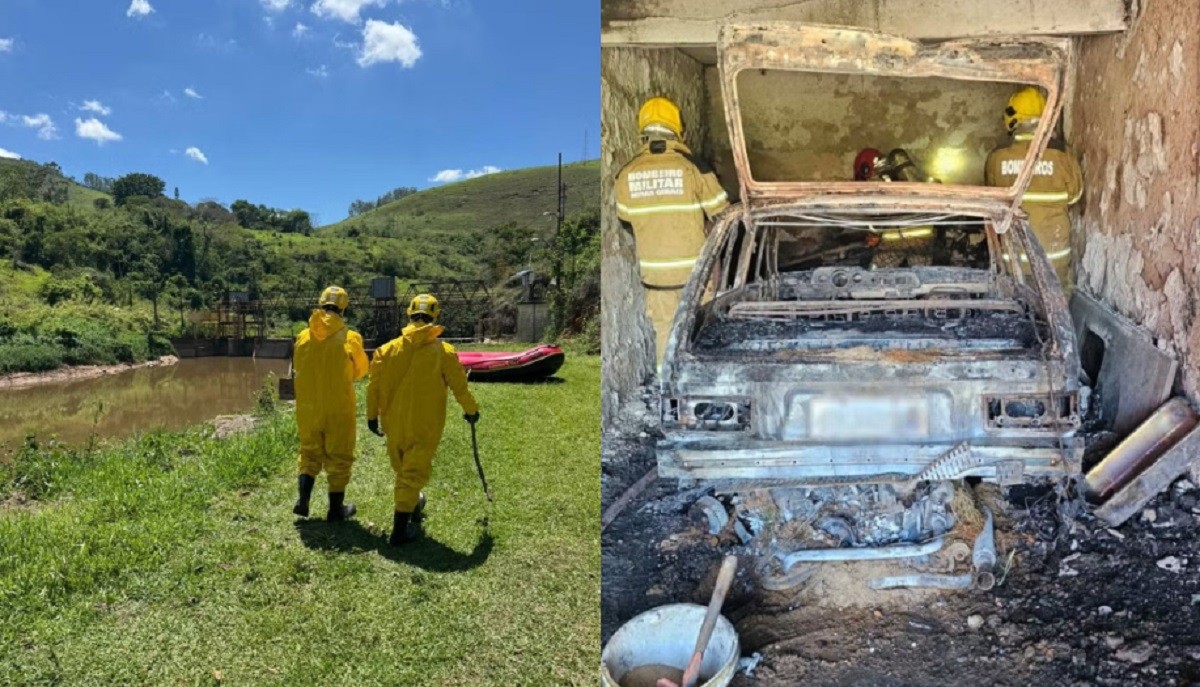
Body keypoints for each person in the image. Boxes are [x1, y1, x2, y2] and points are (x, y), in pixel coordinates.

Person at [615, 96, 729, 365]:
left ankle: (668, 396)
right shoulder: (693, 167)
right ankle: (701, 390)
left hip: (657, 278)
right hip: (696, 275)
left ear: (642, 131)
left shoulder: (625, 175)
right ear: (679, 129)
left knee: (665, 333)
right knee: (701, 332)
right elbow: (722, 217)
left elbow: (626, 222)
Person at [367, 294, 480, 546]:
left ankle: (413, 504)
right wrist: (471, 410)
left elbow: (372, 387)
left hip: (393, 423)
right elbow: (459, 387)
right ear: (434, 316)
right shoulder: (444, 352)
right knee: (411, 472)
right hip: (426, 425)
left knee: (404, 470)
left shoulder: (386, 350)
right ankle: (399, 532)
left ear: (409, 315)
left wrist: (371, 416)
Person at [985, 86, 1083, 288]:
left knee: (1016, 308)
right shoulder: (1062, 154)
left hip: (1014, 257)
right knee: (1056, 308)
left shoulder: (998, 156)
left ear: (1013, 117)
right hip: (1054, 256)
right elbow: (1075, 195)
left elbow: (990, 201)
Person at [292, 285, 369, 521]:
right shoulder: (350, 338)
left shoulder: (303, 337)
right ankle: (336, 510)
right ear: (342, 309)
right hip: (339, 407)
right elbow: (360, 371)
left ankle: (303, 499)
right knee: (339, 456)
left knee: (309, 453)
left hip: (308, 408)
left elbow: (299, 368)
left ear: (321, 304)